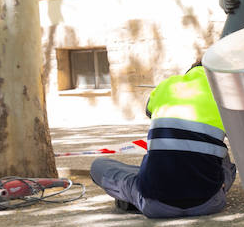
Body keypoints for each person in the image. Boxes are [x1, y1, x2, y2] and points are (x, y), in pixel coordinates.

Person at [89, 65, 236, 218]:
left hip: (156, 205)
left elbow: (149, 112)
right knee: (222, 155)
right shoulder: (226, 95)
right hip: (209, 204)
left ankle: (136, 194)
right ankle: (214, 187)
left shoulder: (168, 85)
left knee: (99, 165)